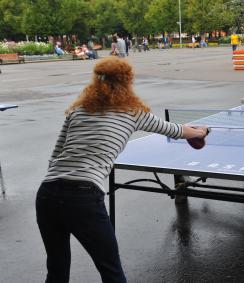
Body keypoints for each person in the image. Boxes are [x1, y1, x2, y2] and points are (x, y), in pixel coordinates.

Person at [35, 57, 209, 283]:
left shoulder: (77, 111)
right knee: (111, 271)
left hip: (47, 193)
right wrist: (200, 132)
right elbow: (174, 130)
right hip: (83, 197)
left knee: (57, 270)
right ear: (127, 82)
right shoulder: (133, 112)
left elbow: (55, 156)